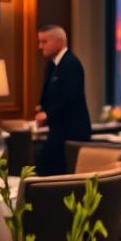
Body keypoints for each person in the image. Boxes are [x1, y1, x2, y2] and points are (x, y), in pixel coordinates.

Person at [35, 24, 91, 176]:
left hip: (72, 132)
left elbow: (70, 96)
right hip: (57, 130)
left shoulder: (71, 64)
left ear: (59, 42)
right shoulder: (52, 65)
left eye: (44, 42)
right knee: (42, 165)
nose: (40, 46)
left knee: (46, 166)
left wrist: (48, 115)